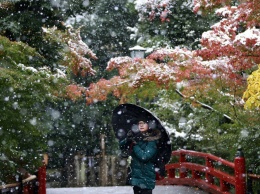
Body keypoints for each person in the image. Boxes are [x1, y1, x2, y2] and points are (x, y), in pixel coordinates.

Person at [119, 118, 161, 194]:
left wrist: (135, 145)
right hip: (136, 177)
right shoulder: (135, 137)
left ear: (149, 126)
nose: (141, 125)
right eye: (139, 123)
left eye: (144, 123)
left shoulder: (152, 141)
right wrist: (127, 139)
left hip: (146, 178)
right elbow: (121, 146)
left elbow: (144, 157)